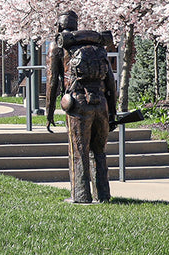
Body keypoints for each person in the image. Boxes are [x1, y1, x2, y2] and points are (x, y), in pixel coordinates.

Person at [45, 10, 116, 204]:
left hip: (77, 104)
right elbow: (110, 81)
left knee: (79, 151)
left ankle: (81, 196)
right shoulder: (97, 47)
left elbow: (52, 82)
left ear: (59, 27)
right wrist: (113, 111)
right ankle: (103, 195)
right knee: (99, 151)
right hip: (101, 103)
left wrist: (49, 111)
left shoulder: (58, 46)